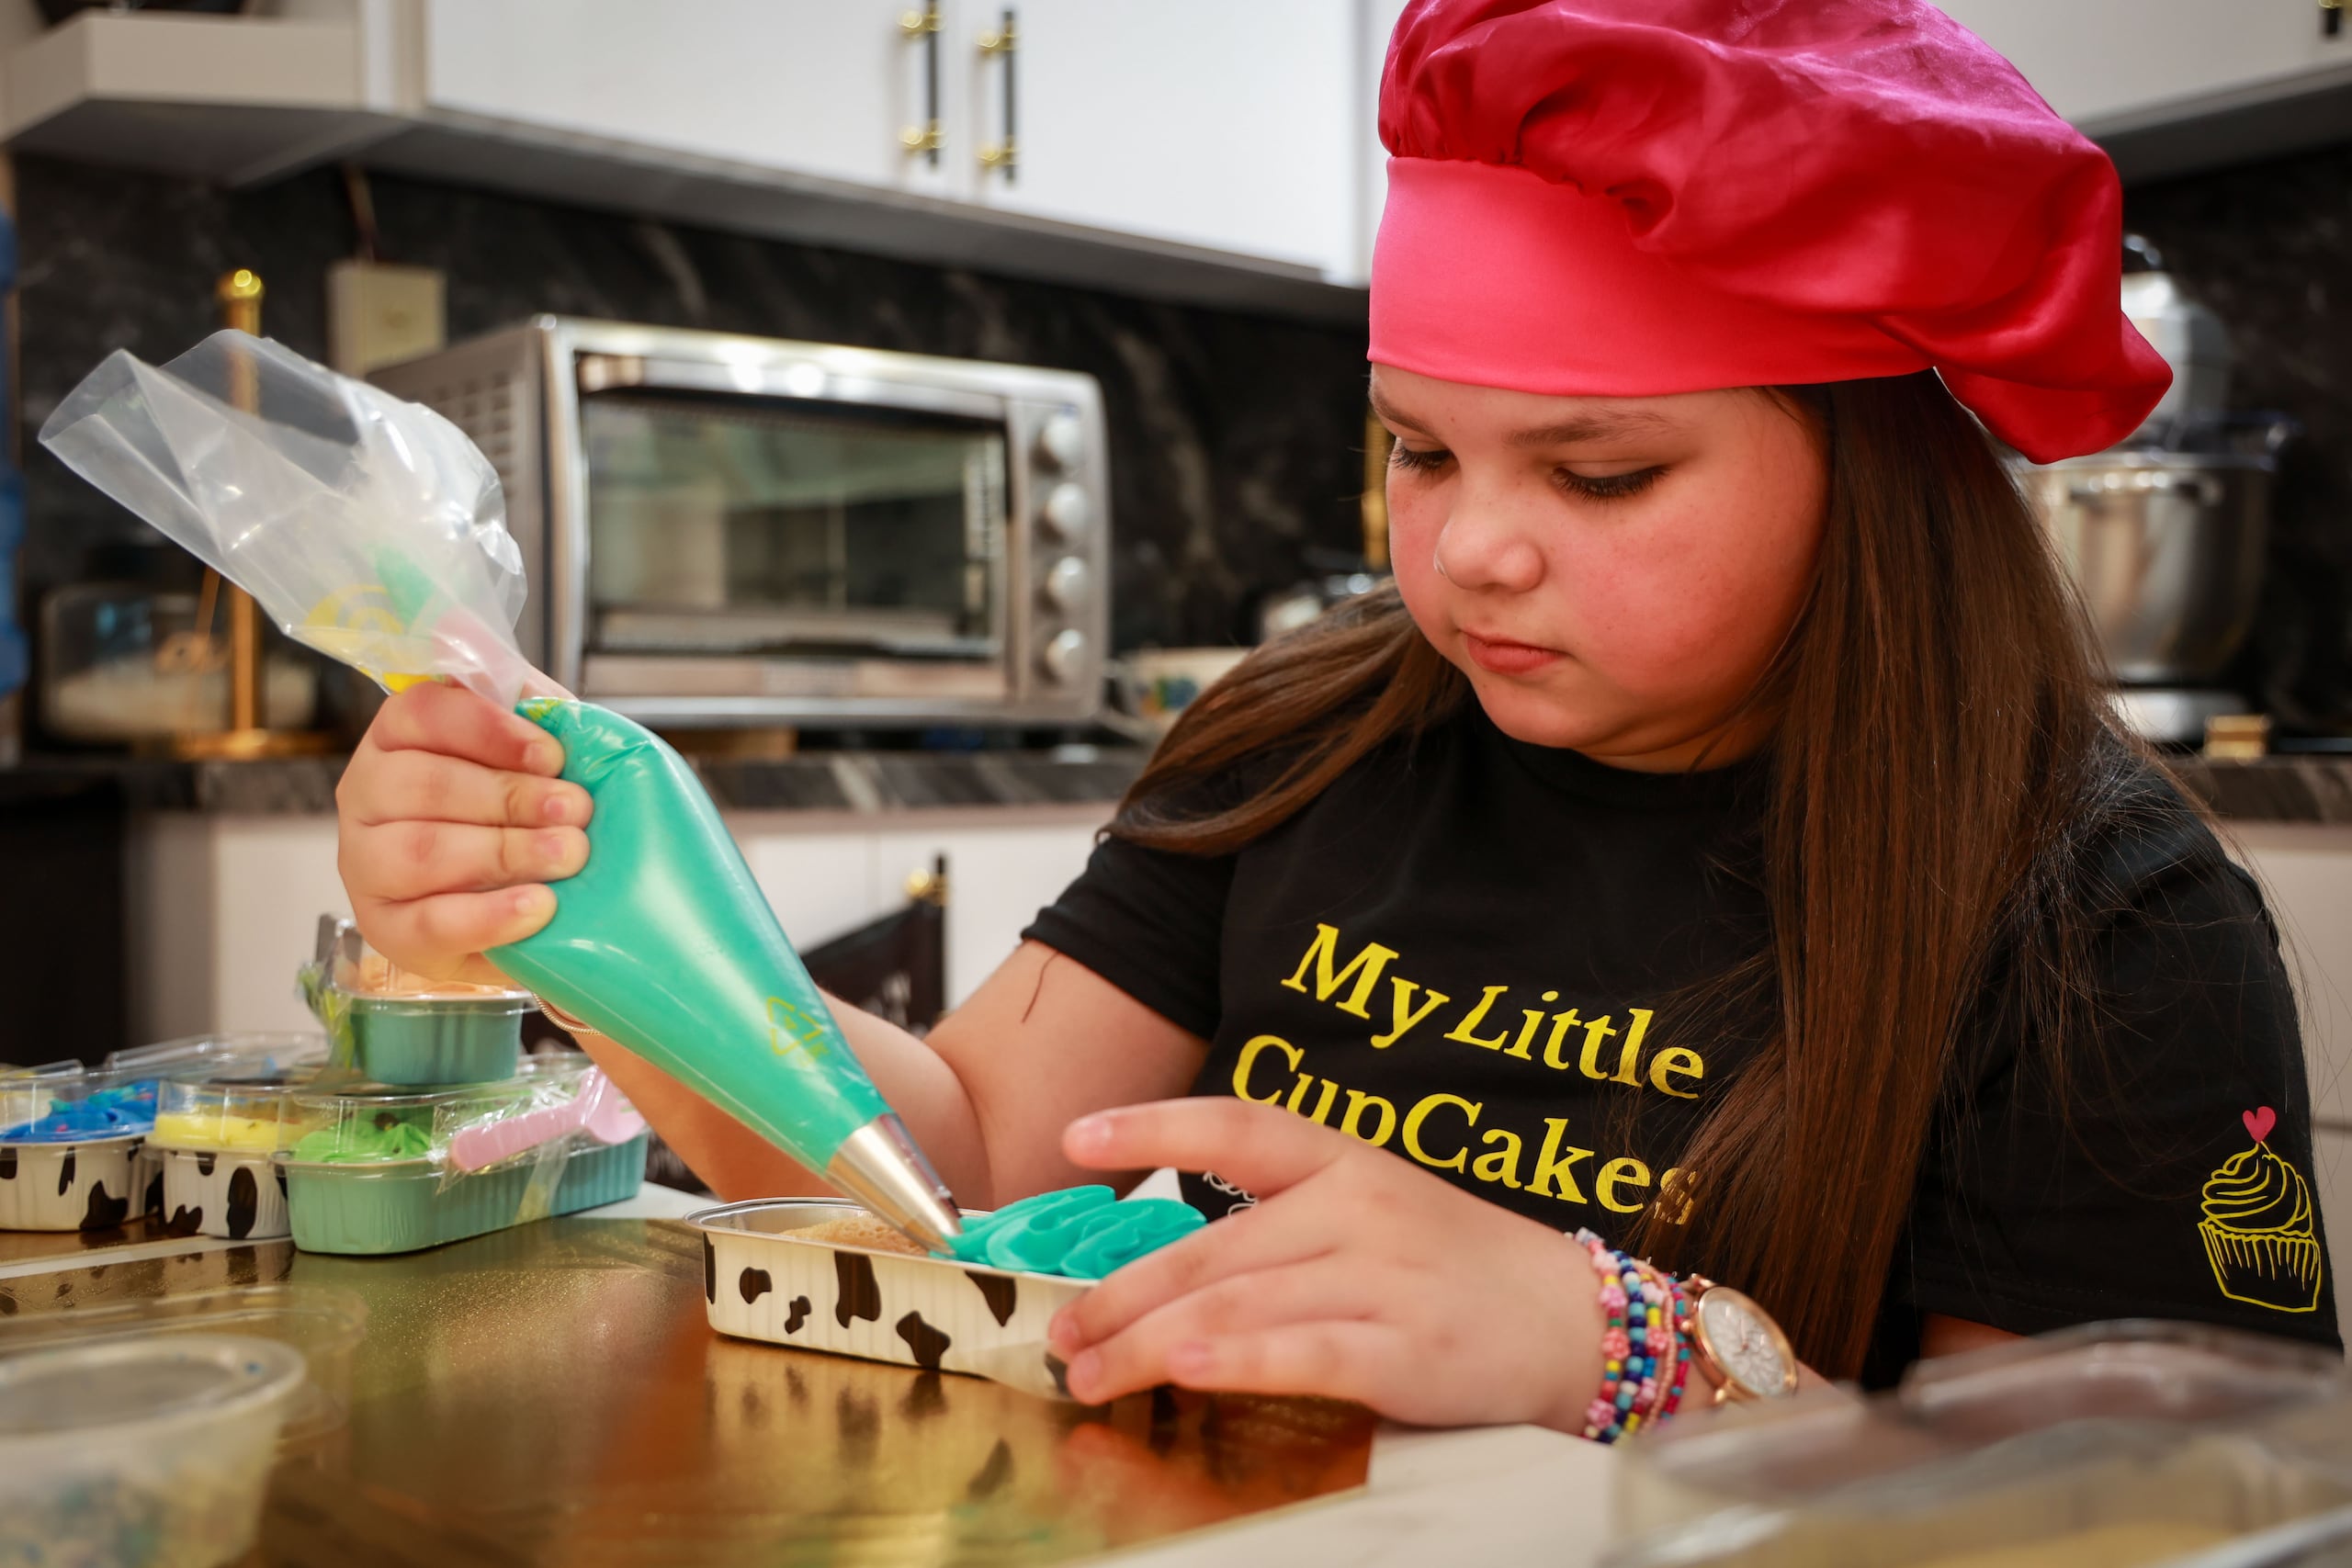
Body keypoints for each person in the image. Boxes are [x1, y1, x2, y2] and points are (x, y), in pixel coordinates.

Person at [333, 0, 2339, 1431]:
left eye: (1596, 474)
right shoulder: (1295, 737)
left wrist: (1621, 1346)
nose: (1464, 556)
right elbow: (936, 1157)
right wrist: (592, 923)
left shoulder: (2104, 922)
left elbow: (2111, 1512)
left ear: (1870, 476)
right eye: (1415, 451)